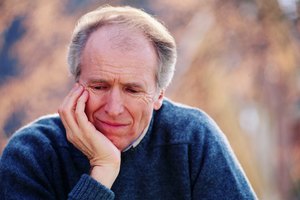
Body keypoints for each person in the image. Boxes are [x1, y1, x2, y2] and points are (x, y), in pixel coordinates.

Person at [0, 5, 257, 200]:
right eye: (99, 86)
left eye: (132, 90)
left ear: (159, 95)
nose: (113, 108)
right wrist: (101, 173)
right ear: (75, 83)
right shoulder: (31, 153)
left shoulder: (193, 139)